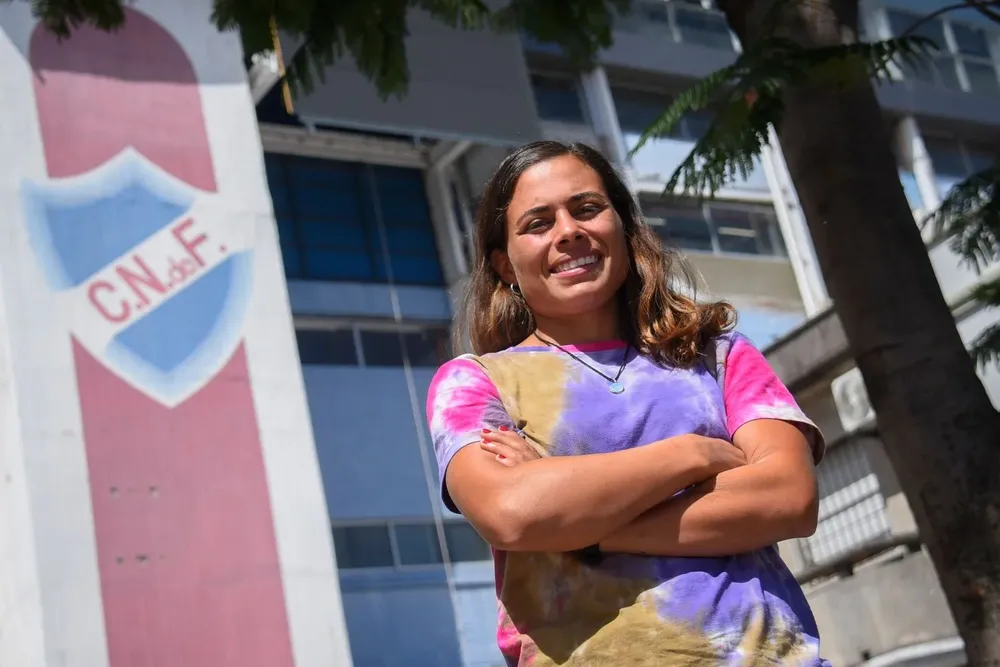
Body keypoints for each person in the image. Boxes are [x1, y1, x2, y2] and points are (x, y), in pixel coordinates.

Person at [426, 140, 829, 666]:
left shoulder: (717, 355)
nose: (569, 232)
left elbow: (788, 497)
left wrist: (577, 526)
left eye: (587, 209)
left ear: (622, 226)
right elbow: (514, 512)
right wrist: (694, 455)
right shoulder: (475, 384)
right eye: (538, 223)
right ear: (504, 264)